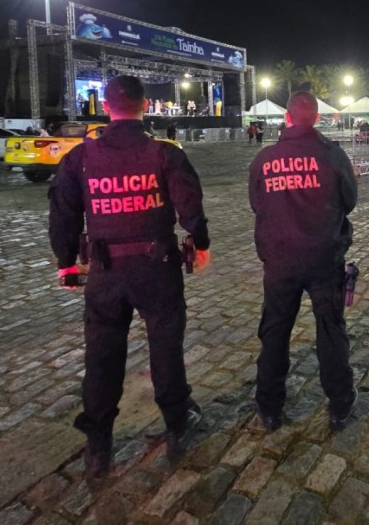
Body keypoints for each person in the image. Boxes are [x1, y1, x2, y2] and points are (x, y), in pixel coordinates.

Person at [48, 75, 211, 480]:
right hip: (157, 267)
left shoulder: (81, 158)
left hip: (105, 272)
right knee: (166, 347)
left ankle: (99, 444)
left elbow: (63, 213)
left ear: (106, 106)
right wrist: (201, 242)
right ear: (144, 106)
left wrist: (66, 261)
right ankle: (177, 421)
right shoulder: (164, 153)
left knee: (102, 357)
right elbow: (190, 202)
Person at [248, 91, 358, 432]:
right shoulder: (333, 155)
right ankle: (339, 403)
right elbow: (349, 201)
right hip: (325, 258)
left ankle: (270, 408)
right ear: (317, 119)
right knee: (330, 331)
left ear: (288, 118)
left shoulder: (264, 159)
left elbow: (257, 204)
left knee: (275, 333)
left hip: (280, 261)